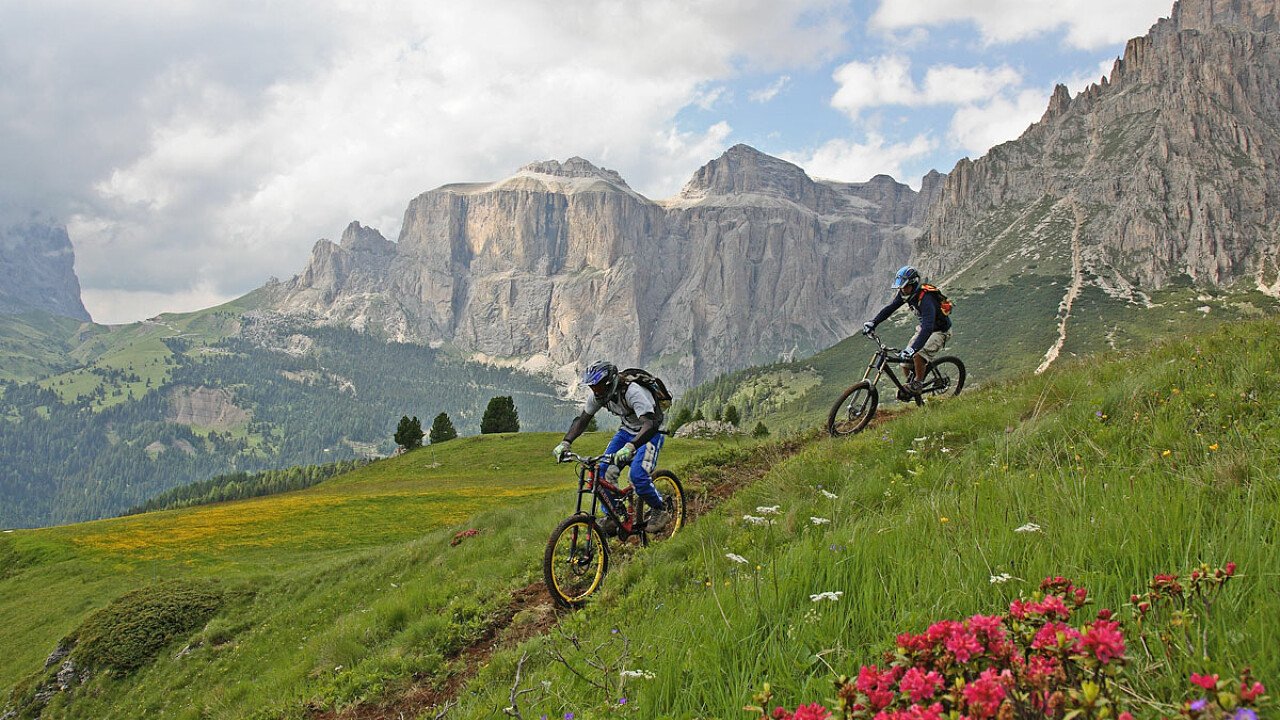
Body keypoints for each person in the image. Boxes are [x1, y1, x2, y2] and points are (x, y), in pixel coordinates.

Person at [553, 361, 671, 533]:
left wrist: (631, 446)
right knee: (600, 473)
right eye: (592, 387)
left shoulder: (633, 392)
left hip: (649, 433)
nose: (595, 391)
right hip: (626, 431)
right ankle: (613, 515)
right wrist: (565, 443)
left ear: (609, 384)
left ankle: (660, 509)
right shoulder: (599, 396)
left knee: (638, 477)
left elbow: (650, 424)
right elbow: (583, 420)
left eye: (598, 387)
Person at [862, 265, 953, 396]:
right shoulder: (906, 294)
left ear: (913, 284)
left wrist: (913, 349)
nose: (902, 290)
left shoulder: (926, 298)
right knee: (904, 363)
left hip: (940, 331)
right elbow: (890, 308)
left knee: (917, 353)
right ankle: (911, 384)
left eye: (905, 287)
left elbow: (927, 328)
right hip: (925, 328)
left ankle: (918, 384)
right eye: (901, 287)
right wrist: (873, 322)